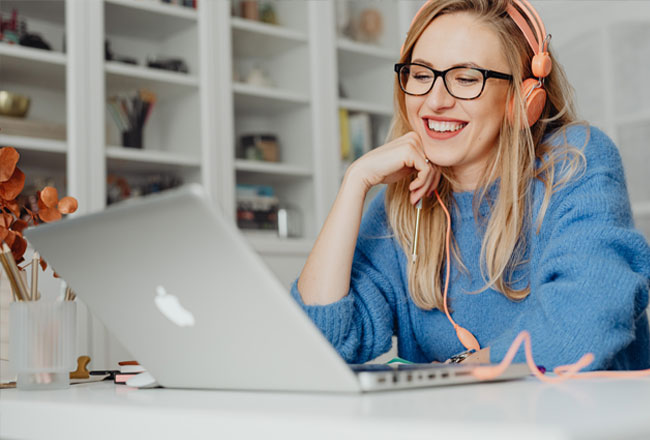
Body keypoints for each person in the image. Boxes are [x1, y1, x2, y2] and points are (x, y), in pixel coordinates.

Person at [292, 0, 650, 370]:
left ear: (522, 100)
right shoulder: (402, 202)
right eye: (420, 74)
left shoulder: (575, 162)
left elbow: (581, 327)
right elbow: (320, 346)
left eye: (466, 79)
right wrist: (355, 182)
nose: (435, 100)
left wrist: (452, 373)